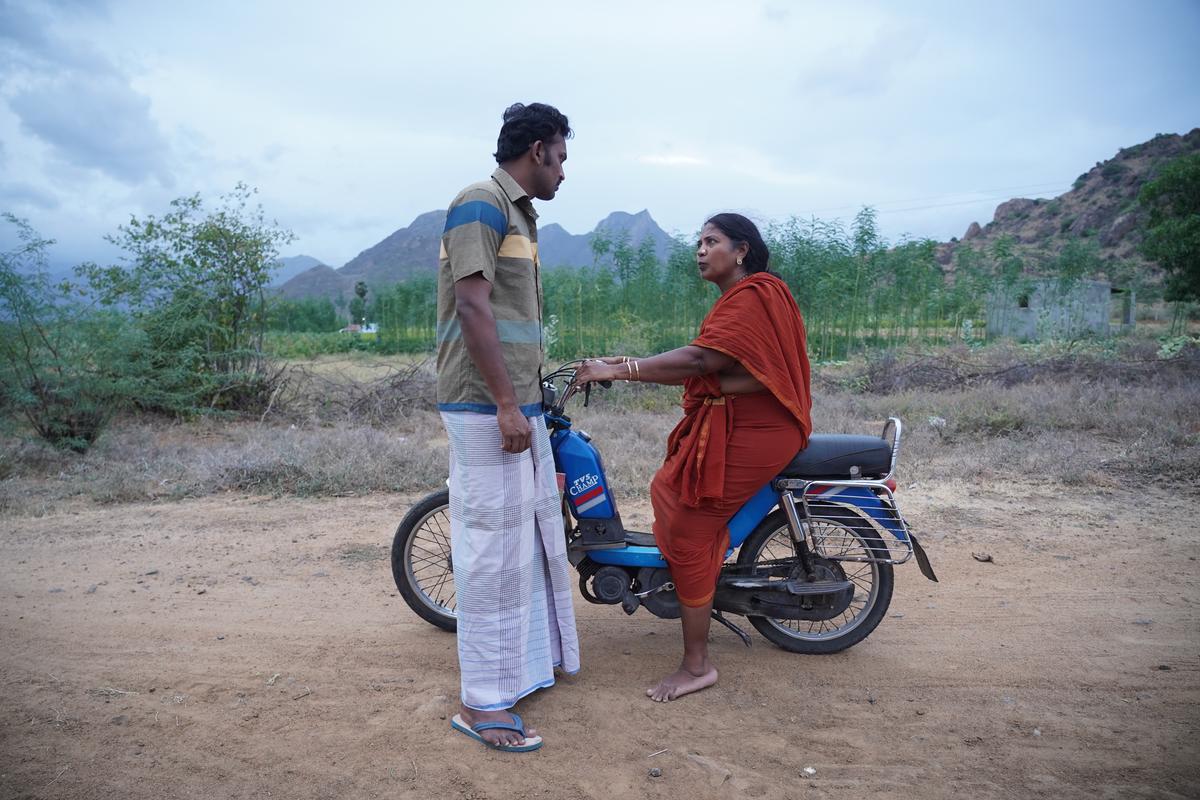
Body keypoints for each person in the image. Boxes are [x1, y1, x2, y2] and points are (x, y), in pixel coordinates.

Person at [574, 213, 811, 702]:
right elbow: (711, 359)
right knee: (670, 487)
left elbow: (702, 362)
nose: (701, 251)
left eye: (712, 241)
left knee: (689, 527)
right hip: (745, 420)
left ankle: (697, 664)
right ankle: (694, 577)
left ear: (741, 250)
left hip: (762, 428)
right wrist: (622, 363)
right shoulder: (745, 299)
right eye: (698, 243)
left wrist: (624, 372)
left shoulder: (752, 296)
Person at [437, 102, 580, 751]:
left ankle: (515, 672)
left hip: (514, 402)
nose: (564, 172)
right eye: (563, 157)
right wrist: (503, 403)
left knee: (519, 544)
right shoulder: (481, 202)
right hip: (486, 405)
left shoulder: (520, 214)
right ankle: (482, 703)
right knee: (492, 552)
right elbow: (472, 306)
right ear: (539, 149)